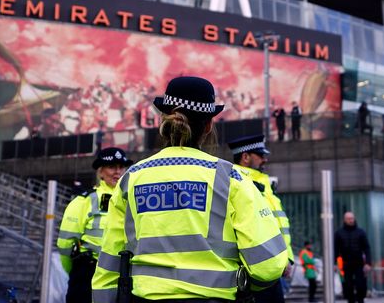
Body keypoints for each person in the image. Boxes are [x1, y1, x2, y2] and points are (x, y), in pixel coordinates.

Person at [92, 76, 288, 302]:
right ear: (208, 125)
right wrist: (245, 283)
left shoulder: (131, 179)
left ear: (163, 121)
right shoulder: (231, 178)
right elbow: (269, 265)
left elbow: (108, 262)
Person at [57, 147, 133, 303]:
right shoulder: (84, 200)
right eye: (112, 167)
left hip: (123, 273)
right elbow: (65, 243)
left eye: (121, 167)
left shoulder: (132, 200)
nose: (118, 172)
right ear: (100, 172)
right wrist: (77, 270)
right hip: (87, 272)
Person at [227, 134, 295, 302]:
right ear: (245, 157)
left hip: (272, 266)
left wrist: (286, 258)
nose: (265, 160)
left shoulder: (263, 184)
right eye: (261, 155)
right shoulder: (240, 183)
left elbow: (277, 227)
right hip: (256, 271)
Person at [334, 211, 371, 303]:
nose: (351, 220)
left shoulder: (361, 232)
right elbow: (335, 249)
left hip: (359, 263)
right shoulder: (339, 233)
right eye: (349, 219)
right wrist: (334, 263)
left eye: (352, 218)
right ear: (344, 220)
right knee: (348, 285)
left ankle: (361, 300)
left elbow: (367, 248)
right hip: (346, 264)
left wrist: (368, 263)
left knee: (360, 285)